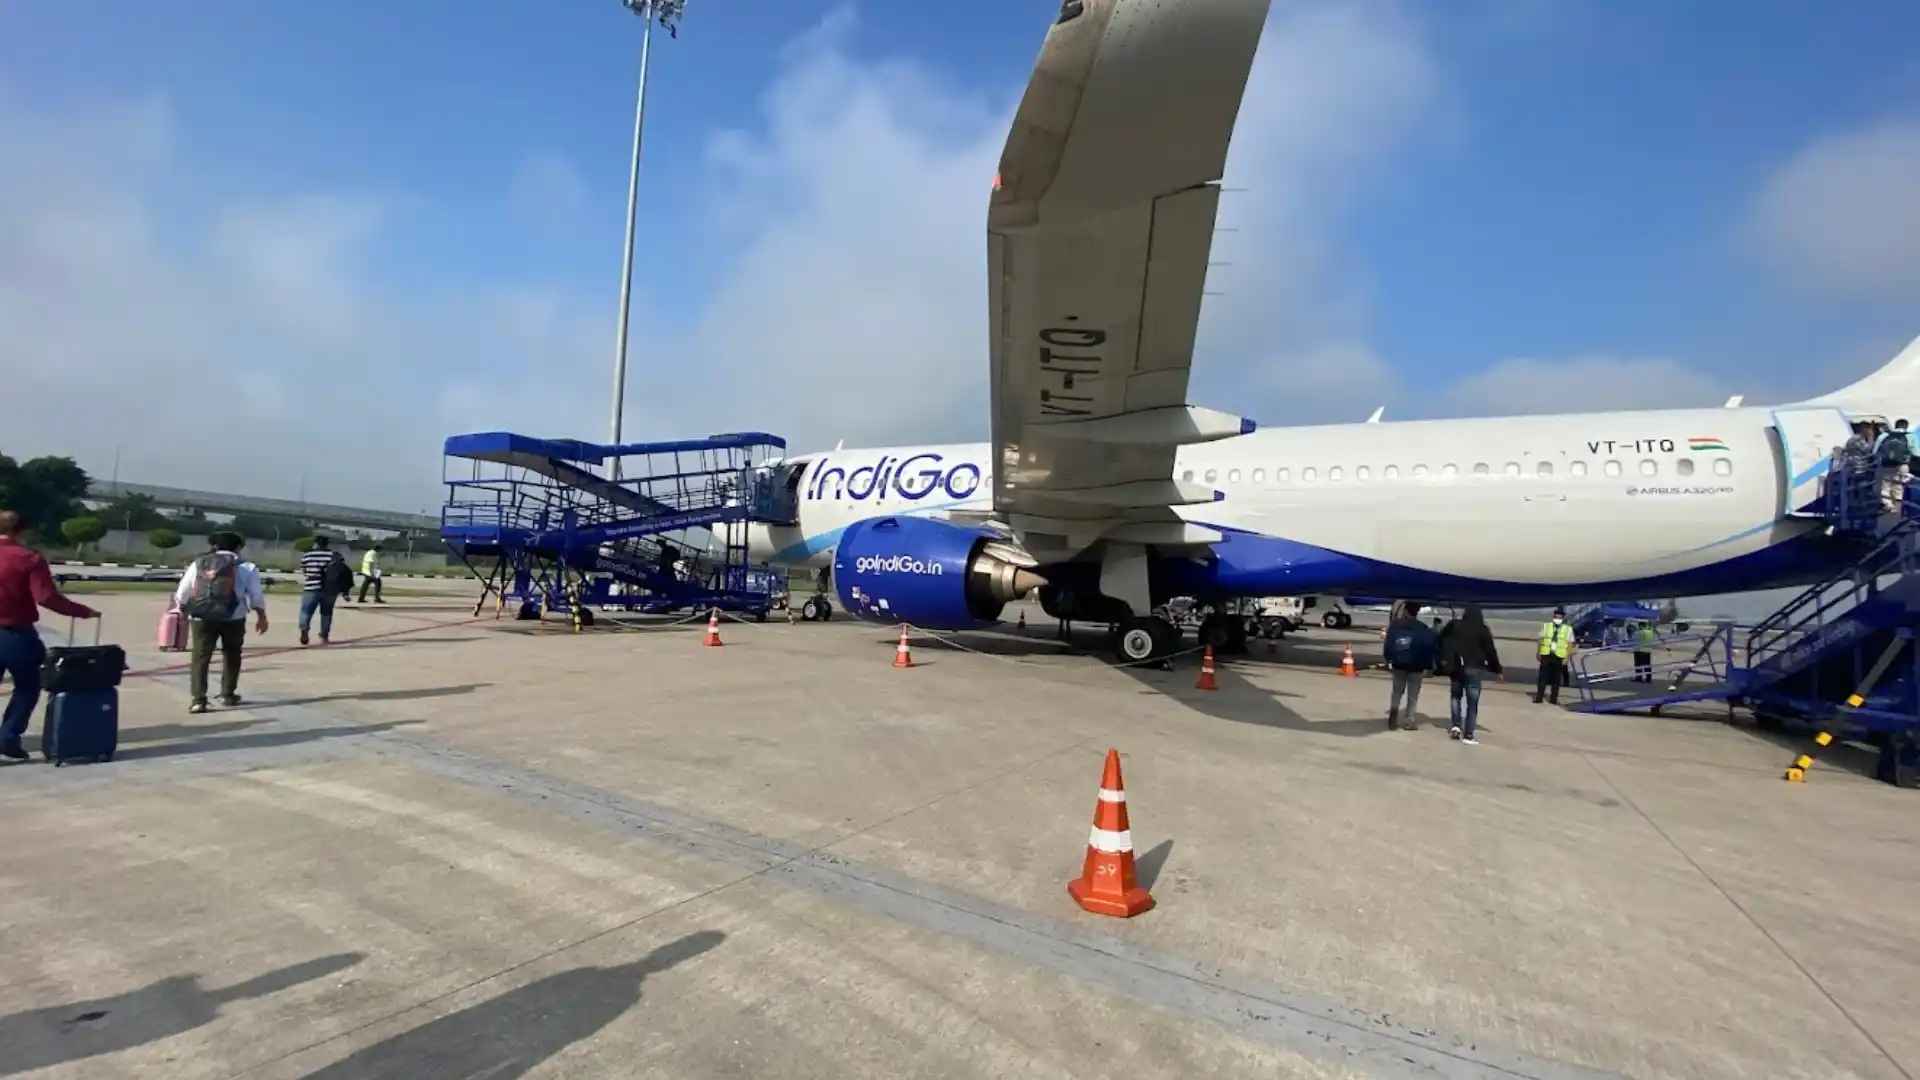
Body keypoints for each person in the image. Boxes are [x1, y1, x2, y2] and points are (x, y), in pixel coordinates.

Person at [0, 510, 101, 760]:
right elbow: (45, 597)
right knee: (26, 687)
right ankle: (8, 737)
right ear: (22, 530)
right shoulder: (29, 558)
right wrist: (82, 612)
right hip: (15, 634)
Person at [174, 531, 267, 714]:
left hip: (202, 616)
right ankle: (227, 694)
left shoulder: (199, 563)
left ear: (214, 546)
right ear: (238, 547)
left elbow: (183, 591)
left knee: (200, 657)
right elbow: (256, 595)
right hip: (233, 616)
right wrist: (261, 616)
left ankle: (198, 700)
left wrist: (182, 610)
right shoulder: (247, 567)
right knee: (232, 654)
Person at [1437, 604, 1502, 745]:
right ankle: (1468, 735)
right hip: (1475, 669)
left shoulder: (1455, 625)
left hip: (1456, 667)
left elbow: (1441, 638)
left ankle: (1455, 726)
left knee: (1456, 697)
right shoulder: (1483, 629)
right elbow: (1491, 652)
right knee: (1472, 703)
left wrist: (1443, 658)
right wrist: (1497, 669)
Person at [1382, 601, 1437, 730]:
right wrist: (1428, 665)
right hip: (1416, 666)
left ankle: (1393, 717)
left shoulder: (1395, 626)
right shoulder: (1423, 628)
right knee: (1413, 695)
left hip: (1399, 664)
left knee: (1396, 692)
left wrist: (1388, 658)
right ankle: (1409, 721)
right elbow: (1428, 647)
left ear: (1405, 611)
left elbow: (1389, 644)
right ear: (1417, 612)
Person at [297, 536, 345, 646]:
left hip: (311, 587)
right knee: (326, 613)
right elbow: (341, 571)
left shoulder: (307, 556)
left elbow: (304, 571)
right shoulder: (334, 555)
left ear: (316, 544)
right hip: (329, 589)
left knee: (306, 611)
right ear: (327, 544)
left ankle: (304, 629)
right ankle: (324, 636)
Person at [1533, 606, 1574, 704]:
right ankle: (1539, 698)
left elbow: (1570, 644)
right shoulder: (1546, 626)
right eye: (1556, 617)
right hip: (1546, 654)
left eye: (1559, 618)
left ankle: (1553, 699)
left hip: (1559, 656)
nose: (1557, 619)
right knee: (1542, 677)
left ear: (1563, 618)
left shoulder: (1568, 629)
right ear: (1553, 617)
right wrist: (1538, 652)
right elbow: (1540, 640)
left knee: (1556, 679)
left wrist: (1567, 658)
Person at [1879, 418, 1911, 512]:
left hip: (1887, 464)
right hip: (1902, 464)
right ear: (1906, 426)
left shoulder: (1884, 435)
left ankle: (1888, 504)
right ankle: (1898, 505)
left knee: (1886, 485)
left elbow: (1875, 450)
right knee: (1899, 485)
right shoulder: (1909, 436)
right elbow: (1916, 452)